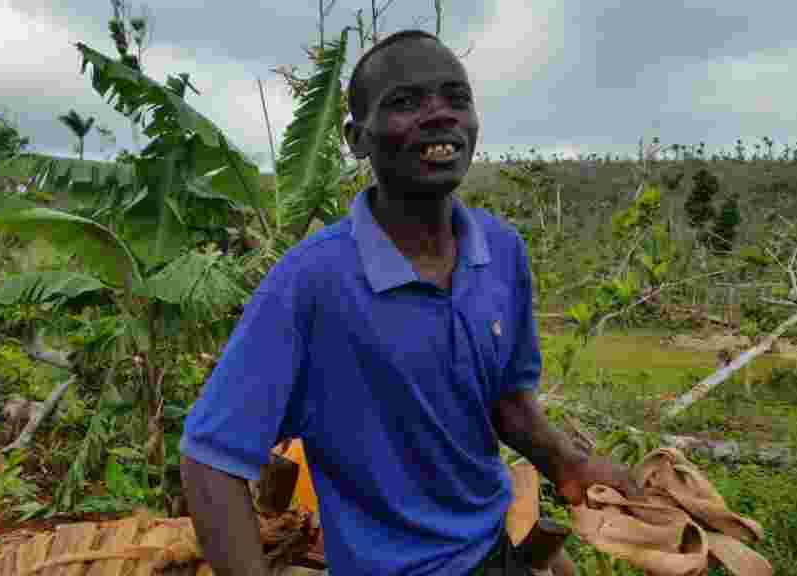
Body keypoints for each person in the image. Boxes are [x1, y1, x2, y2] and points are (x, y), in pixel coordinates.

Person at [179, 29, 642, 576]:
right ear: (357, 138)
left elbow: (507, 403)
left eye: (456, 98)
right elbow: (210, 460)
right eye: (405, 102)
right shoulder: (311, 284)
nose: (439, 115)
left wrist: (569, 464)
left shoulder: (501, 251)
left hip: (494, 554)